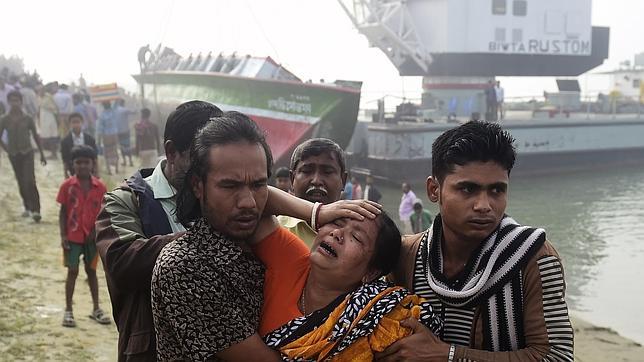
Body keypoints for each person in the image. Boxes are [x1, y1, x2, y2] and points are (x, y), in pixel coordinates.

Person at [152, 112, 389, 361]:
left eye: (257, 185)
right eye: (230, 186)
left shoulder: (250, 236)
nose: (248, 202)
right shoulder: (186, 265)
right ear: (198, 186)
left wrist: (316, 212)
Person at [381, 121, 574, 361]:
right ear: (434, 190)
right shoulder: (406, 255)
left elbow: (556, 356)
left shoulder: (533, 257)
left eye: (496, 191)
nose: (484, 205)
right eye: (467, 189)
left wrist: (449, 356)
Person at [95, 100, 222, 361]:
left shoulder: (220, 199)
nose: (208, 173)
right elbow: (122, 263)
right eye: (200, 163)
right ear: (172, 151)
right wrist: (203, 238)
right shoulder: (125, 201)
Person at [250, 201, 443, 361]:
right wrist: (317, 211)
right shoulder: (291, 260)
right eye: (336, 222)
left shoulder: (380, 321)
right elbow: (253, 199)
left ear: (372, 272)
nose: (337, 234)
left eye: (357, 237)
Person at [57, 145, 110, 328]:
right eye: (78, 162)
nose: (82, 166)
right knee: (72, 272)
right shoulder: (67, 186)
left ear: (93, 164)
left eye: (86, 162)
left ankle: (96, 308)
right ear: (72, 164)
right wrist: (63, 235)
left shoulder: (100, 187)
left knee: (92, 272)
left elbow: (104, 214)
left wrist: (96, 232)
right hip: (72, 237)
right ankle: (68, 310)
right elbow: (63, 212)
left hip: (92, 239)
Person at [278, 138, 348, 246]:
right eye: (306, 171)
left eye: (327, 172)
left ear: (343, 180)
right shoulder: (274, 229)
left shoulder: (353, 236)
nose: (316, 181)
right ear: (292, 179)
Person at [0, 90, 47, 222]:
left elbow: (36, 136)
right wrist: (6, 149)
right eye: (12, 101)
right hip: (14, 154)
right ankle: (27, 206)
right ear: (9, 102)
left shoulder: (27, 118)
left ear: (21, 102)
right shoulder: (4, 119)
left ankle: (36, 209)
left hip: (27, 153)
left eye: (17, 100)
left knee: (30, 180)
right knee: (20, 181)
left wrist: (42, 154)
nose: (15, 103)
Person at [60, 113, 97, 178]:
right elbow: (65, 160)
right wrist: (65, 174)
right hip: (73, 172)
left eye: (78, 122)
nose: (76, 125)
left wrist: (96, 172)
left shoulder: (90, 139)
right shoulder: (65, 141)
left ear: (82, 122)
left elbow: (95, 158)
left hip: (89, 171)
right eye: (73, 122)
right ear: (70, 124)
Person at [97, 101, 119, 175]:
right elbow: (116, 103)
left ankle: (109, 170)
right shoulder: (113, 112)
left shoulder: (102, 115)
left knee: (107, 153)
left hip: (106, 136)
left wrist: (99, 140)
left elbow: (100, 128)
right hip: (114, 135)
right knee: (115, 151)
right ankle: (116, 168)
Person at [38, 83, 60, 160]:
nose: (40, 92)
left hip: (50, 118)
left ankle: (54, 154)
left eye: (41, 90)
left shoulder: (49, 97)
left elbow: (55, 108)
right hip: (43, 119)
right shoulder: (39, 98)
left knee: (52, 137)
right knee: (45, 137)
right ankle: (50, 153)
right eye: (39, 90)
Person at [114, 98, 134, 167]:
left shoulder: (115, 110)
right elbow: (133, 112)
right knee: (127, 146)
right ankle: (130, 161)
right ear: (123, 103)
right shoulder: (124, 110)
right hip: (125, 131)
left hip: (118, 131)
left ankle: (124, 161)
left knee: (121, 146)